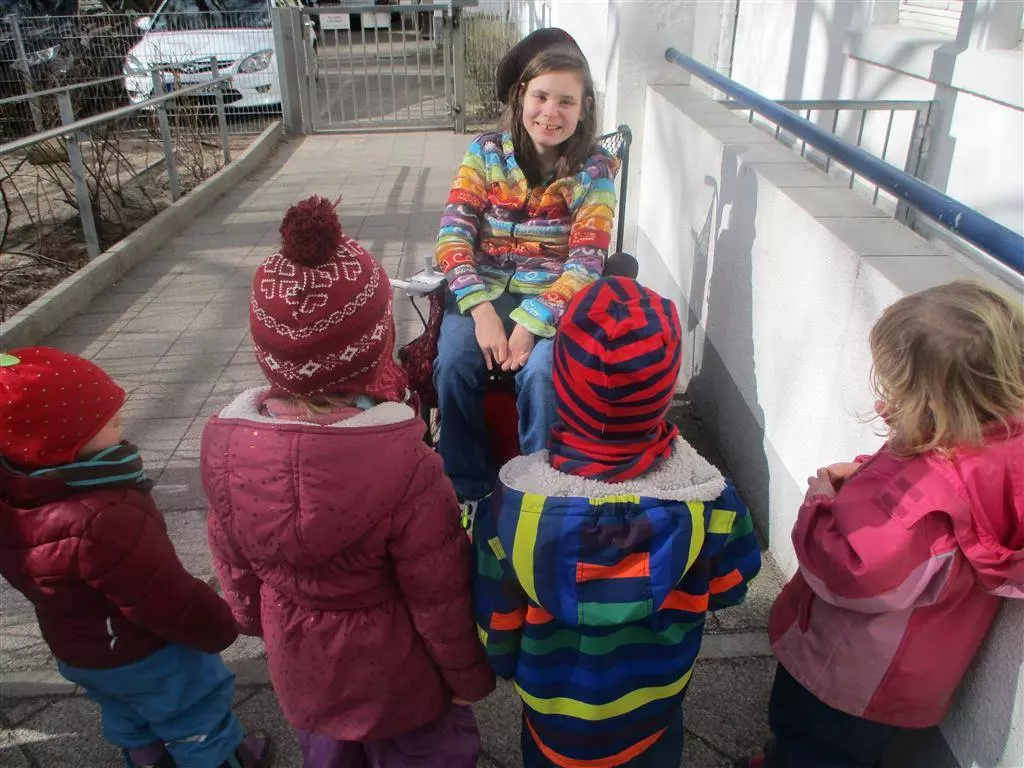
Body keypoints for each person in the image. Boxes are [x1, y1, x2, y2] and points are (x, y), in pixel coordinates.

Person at [201, 196, 495, 768]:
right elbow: (440, 597)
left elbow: (231, 561)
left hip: (303, 670)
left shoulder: (225, 450)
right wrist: (467, 675)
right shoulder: (410, 467)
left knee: (328, 755)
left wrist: (247, 617)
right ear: (376, 341)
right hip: (401, 681)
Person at [472, 277, 763, 767]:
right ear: (667, 390)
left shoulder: (508, 507)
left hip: (551, 723)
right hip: (654, 714)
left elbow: (497, 621)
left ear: (559, 383)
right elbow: (733, 585)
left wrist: (501, 661)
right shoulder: (711, 499)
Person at [736, 280, 1024, 768]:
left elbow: (853, 574)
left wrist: (819, 506)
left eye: (895, 390)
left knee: (812, 738)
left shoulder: (923, 503)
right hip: (910, 670)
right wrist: (871, 470)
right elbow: (941, 485)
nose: (883, 402)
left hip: (850, 674)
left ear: (933, 401)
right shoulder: (994, 442)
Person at [0, 347, 269, 768]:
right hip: (146, 652)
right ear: (61, 445)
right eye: (108, 421)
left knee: (125, 711)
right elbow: (163, 597)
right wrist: (219, 625)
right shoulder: (105, 515)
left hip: (79, 650)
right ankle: (219, 758)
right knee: (195, 715)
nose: (121, 423)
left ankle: (146, 759)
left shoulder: (17, 498)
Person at [434, 42, 619, 523]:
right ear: (520, 97)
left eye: (566, 101)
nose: (550, 113)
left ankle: (540, 492)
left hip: (552, 298)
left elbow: (586, 262)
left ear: (584, 108)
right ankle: (467, 491)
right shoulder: (486, 153)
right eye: (540, 97)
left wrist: (529, 325)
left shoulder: (595, 172)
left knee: (541, 375)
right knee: (453, 364)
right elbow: (453, 235)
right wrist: (480, 313)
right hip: (483, 290)